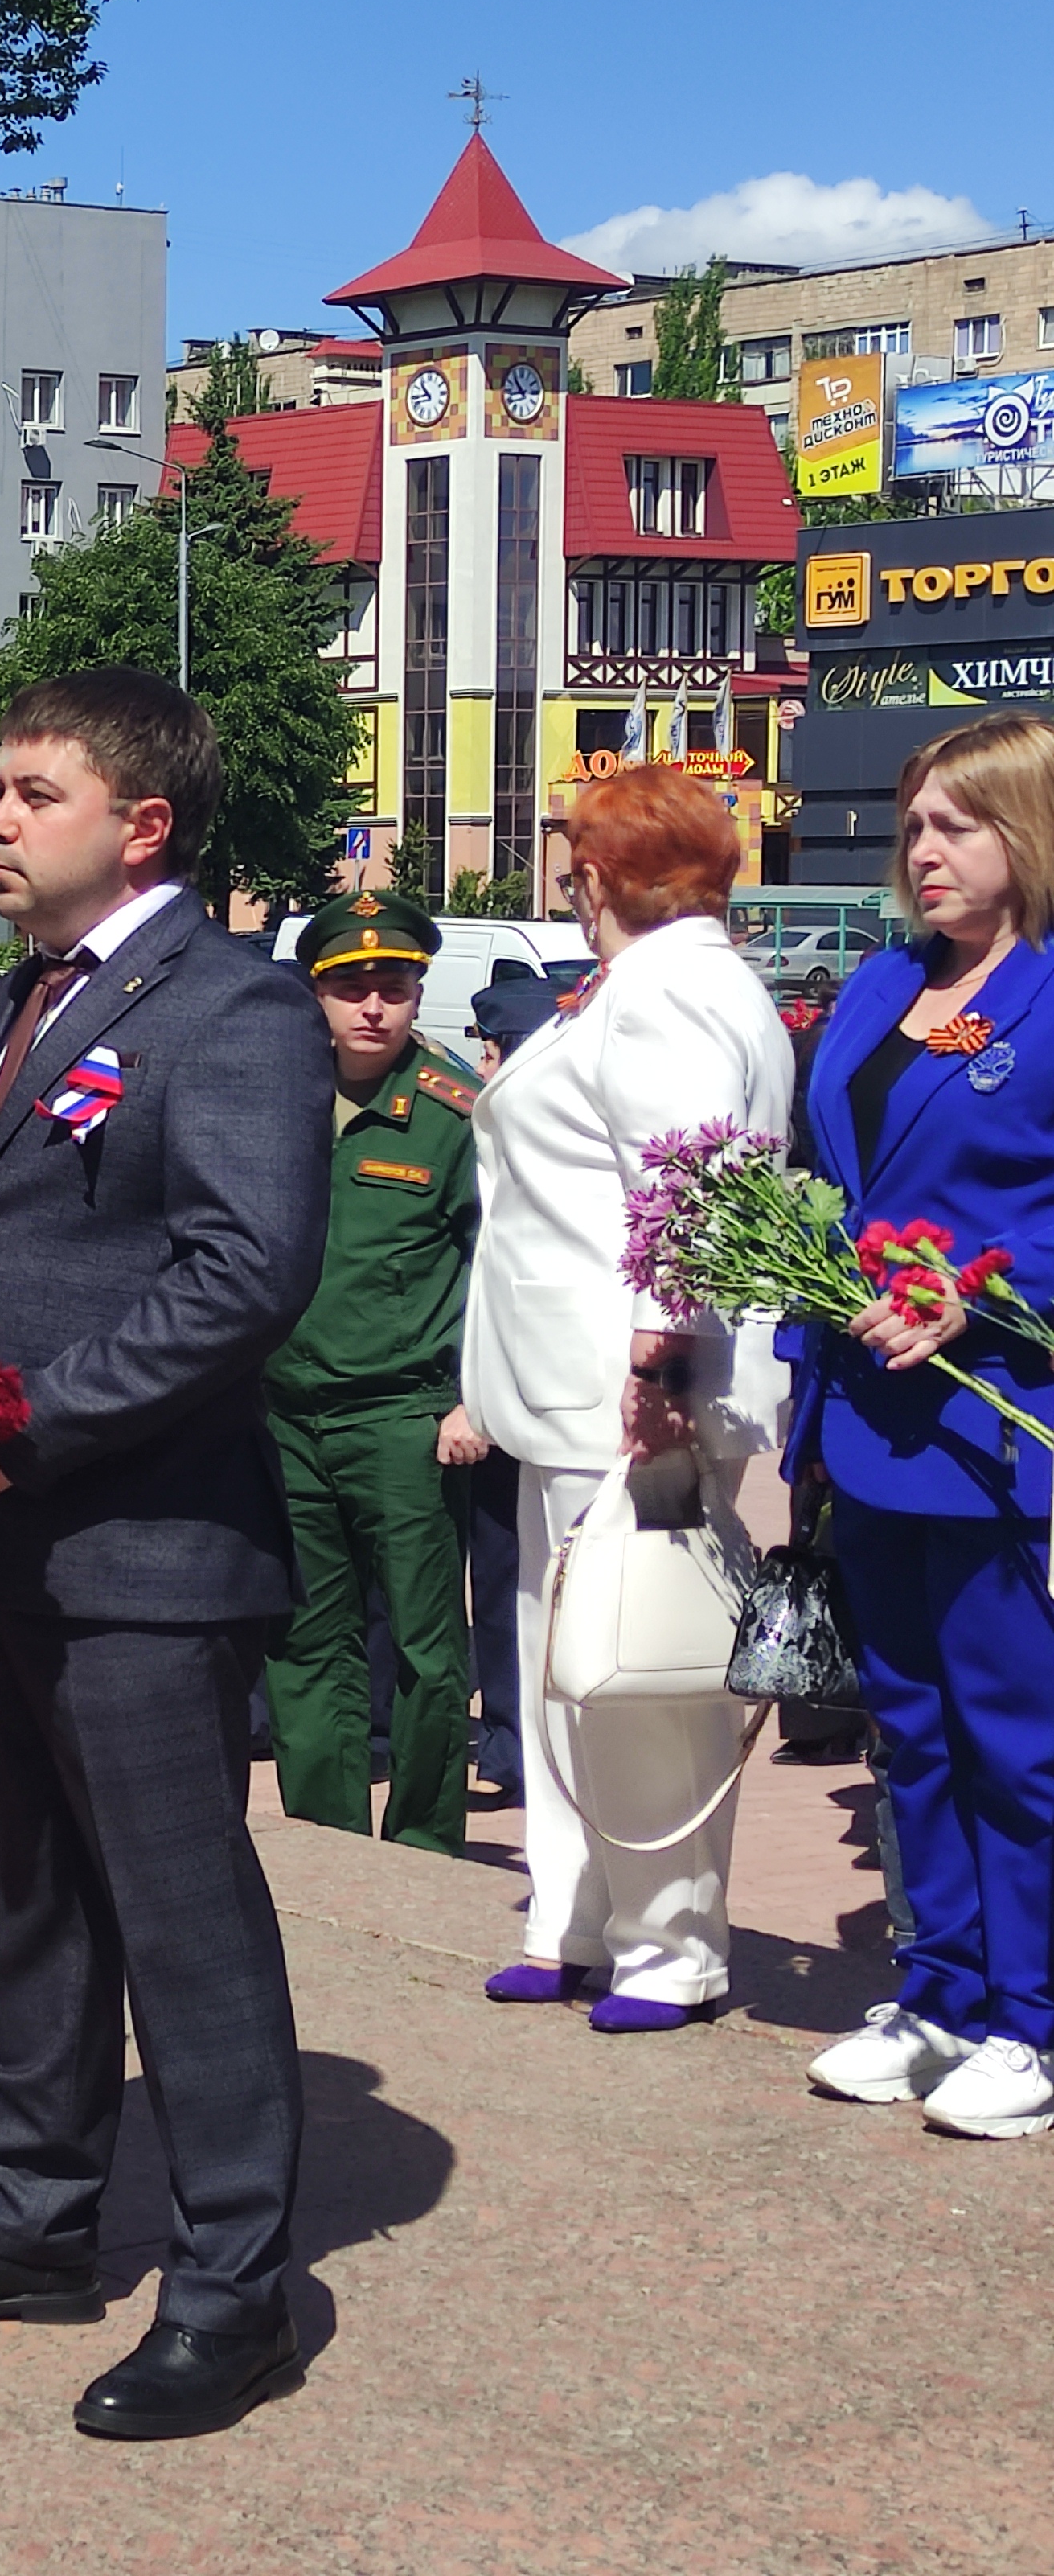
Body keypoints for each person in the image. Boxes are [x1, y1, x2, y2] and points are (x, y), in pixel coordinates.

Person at [0, 670, 329, 2443]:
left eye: (34, 790)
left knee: (178, 1916)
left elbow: (238, 1276)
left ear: (143, 821)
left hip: (142, 1543)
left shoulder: (237, 1009)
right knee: (24, 1897)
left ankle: (230, 2285)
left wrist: (13, 1423)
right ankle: (31, 2210)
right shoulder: (13, 999)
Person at [458, 764, 790, 2033]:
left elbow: (690, 1191)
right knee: (568, 1658)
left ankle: (667, 1944)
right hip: (579, 1391)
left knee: (637, 1669)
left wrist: (658, 1365)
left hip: (625, 1391)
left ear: (602, 869)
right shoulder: (663, 979)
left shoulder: (672, 994)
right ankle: (578, 1912)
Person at [785, 715, 1054, 2138]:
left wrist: (981, 1294)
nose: (922, 850)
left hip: (997, 1430)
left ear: (1024, 831)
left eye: (955, 822)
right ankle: (940, 1990)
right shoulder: (880, 985)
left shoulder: (1050, 995)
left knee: (1010, 1734)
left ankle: (1032, 2016)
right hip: (865, 1415)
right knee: (906, 1727)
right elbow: (818, 1181)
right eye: (910, 826)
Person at [262, 892, 479, 1852]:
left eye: (392, 987)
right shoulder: (279, 1096)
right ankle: (325, 1838)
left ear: (417, 993)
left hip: (406, 1411)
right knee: (308, 1639)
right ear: (315, 995)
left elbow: (495, 1263)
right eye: (350, 988)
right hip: (283, 1412)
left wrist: (478, 1394)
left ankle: (427, 1837)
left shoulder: (452, 1113)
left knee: (428, 1650)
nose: (371, 1008)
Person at [456, 972, 571, 1808]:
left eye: (492, 1050)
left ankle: (519, 1739)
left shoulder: (534, 1138)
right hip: (492, 1392)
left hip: (530, 1395)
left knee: (521, 1581)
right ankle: (508, 1738)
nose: (483, 1064)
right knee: (505, 1581)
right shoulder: (478, 1129)